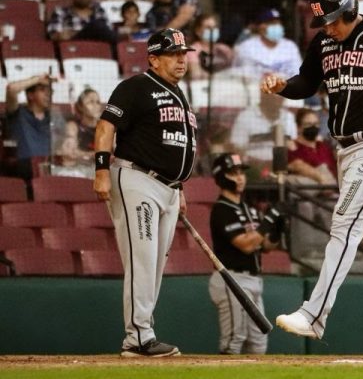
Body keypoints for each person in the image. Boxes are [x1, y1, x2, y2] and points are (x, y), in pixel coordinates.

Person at [260, 0, 363, 340]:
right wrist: (283, 85)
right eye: (324, 22)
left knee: (344, 225)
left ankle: (314, 315)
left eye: (334, 20)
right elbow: (306, 81)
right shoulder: (325, 41)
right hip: (345, 149)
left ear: (351, 9)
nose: (329, 28)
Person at [93, 28, 197, 357]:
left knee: (153, 265)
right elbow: (105, 126)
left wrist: (178, 186)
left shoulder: (179, 94)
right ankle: (138, 337)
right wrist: (99, 170)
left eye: (183, 53)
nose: (181, 59)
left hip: (166, 188)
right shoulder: (136, 87)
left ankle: (143, 331)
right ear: (153, 58)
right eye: (173, 54)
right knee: (143, 259)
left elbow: (170, 144)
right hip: (137, 179)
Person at [208, 153, 282, 355]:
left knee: (259, 343)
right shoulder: (222, 209)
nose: (240, 177)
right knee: (234, 340)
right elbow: (246, 245)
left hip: (254, 281)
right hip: (232, 279)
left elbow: (265, 246)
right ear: (222, 176)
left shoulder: (249, 209)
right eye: (233, 173)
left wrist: (277, 230)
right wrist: (268, 221)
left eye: (241, 172)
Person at [286, 108, 337, 257]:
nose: (313, 127)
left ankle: (342, 248)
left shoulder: (324, 147)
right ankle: (306, 251)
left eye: (315, 123)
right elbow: (296, 165)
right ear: (299, 127)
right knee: (305, 205)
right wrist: (321, 179)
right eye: (308, 124)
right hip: (306, 193)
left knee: (338, 203)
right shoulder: (293, 146)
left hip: (328, 192)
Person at [4, 74, 60, 180]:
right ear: (30, 95)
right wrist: (37, 79)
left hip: (51, 171)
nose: (48, 94)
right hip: (24, 171)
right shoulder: (17, 113)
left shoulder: (54, 117)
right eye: (42, 90)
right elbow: (11, 89)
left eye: (50, 91)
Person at [230, 91, 296, 170]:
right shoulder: (245, 117)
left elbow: (295, 147)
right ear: (263, 96)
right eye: (273, 97)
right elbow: (235, 150)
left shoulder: (289, 117)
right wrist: (238, 169)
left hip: (285, 167)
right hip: (253, 168)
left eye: (281, 97)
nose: (278, 100)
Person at [232, 9, 301, 85]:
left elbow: (298, 75)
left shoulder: (290, 47)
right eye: (271, 23)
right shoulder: (246, 47)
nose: (276, 26)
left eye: (278, 23)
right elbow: (238, 75)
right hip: (255, 92)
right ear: (260, 27)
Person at [47, 0, 115, 43]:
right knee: (97, 26)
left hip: (98, 50)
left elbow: (109, 33)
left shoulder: (99, 11)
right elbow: (55, 36)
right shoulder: (61, 12)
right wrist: (87, 32)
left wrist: (71, 33)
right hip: (73, 48)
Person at [56, 88, 103, 177]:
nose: (95, 106)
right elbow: (70, 153)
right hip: (79, 170)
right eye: (91, 102)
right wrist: (94, 155)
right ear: (80, 107)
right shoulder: (73, 126)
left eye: (98, 102)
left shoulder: (107, 127)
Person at [187, 14, 234, 80]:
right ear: (198, 31)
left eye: (215, 27)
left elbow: (236, 67)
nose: (213, 30)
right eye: (208, 28)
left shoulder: (224, 49)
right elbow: (196, 74)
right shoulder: (192, 50)